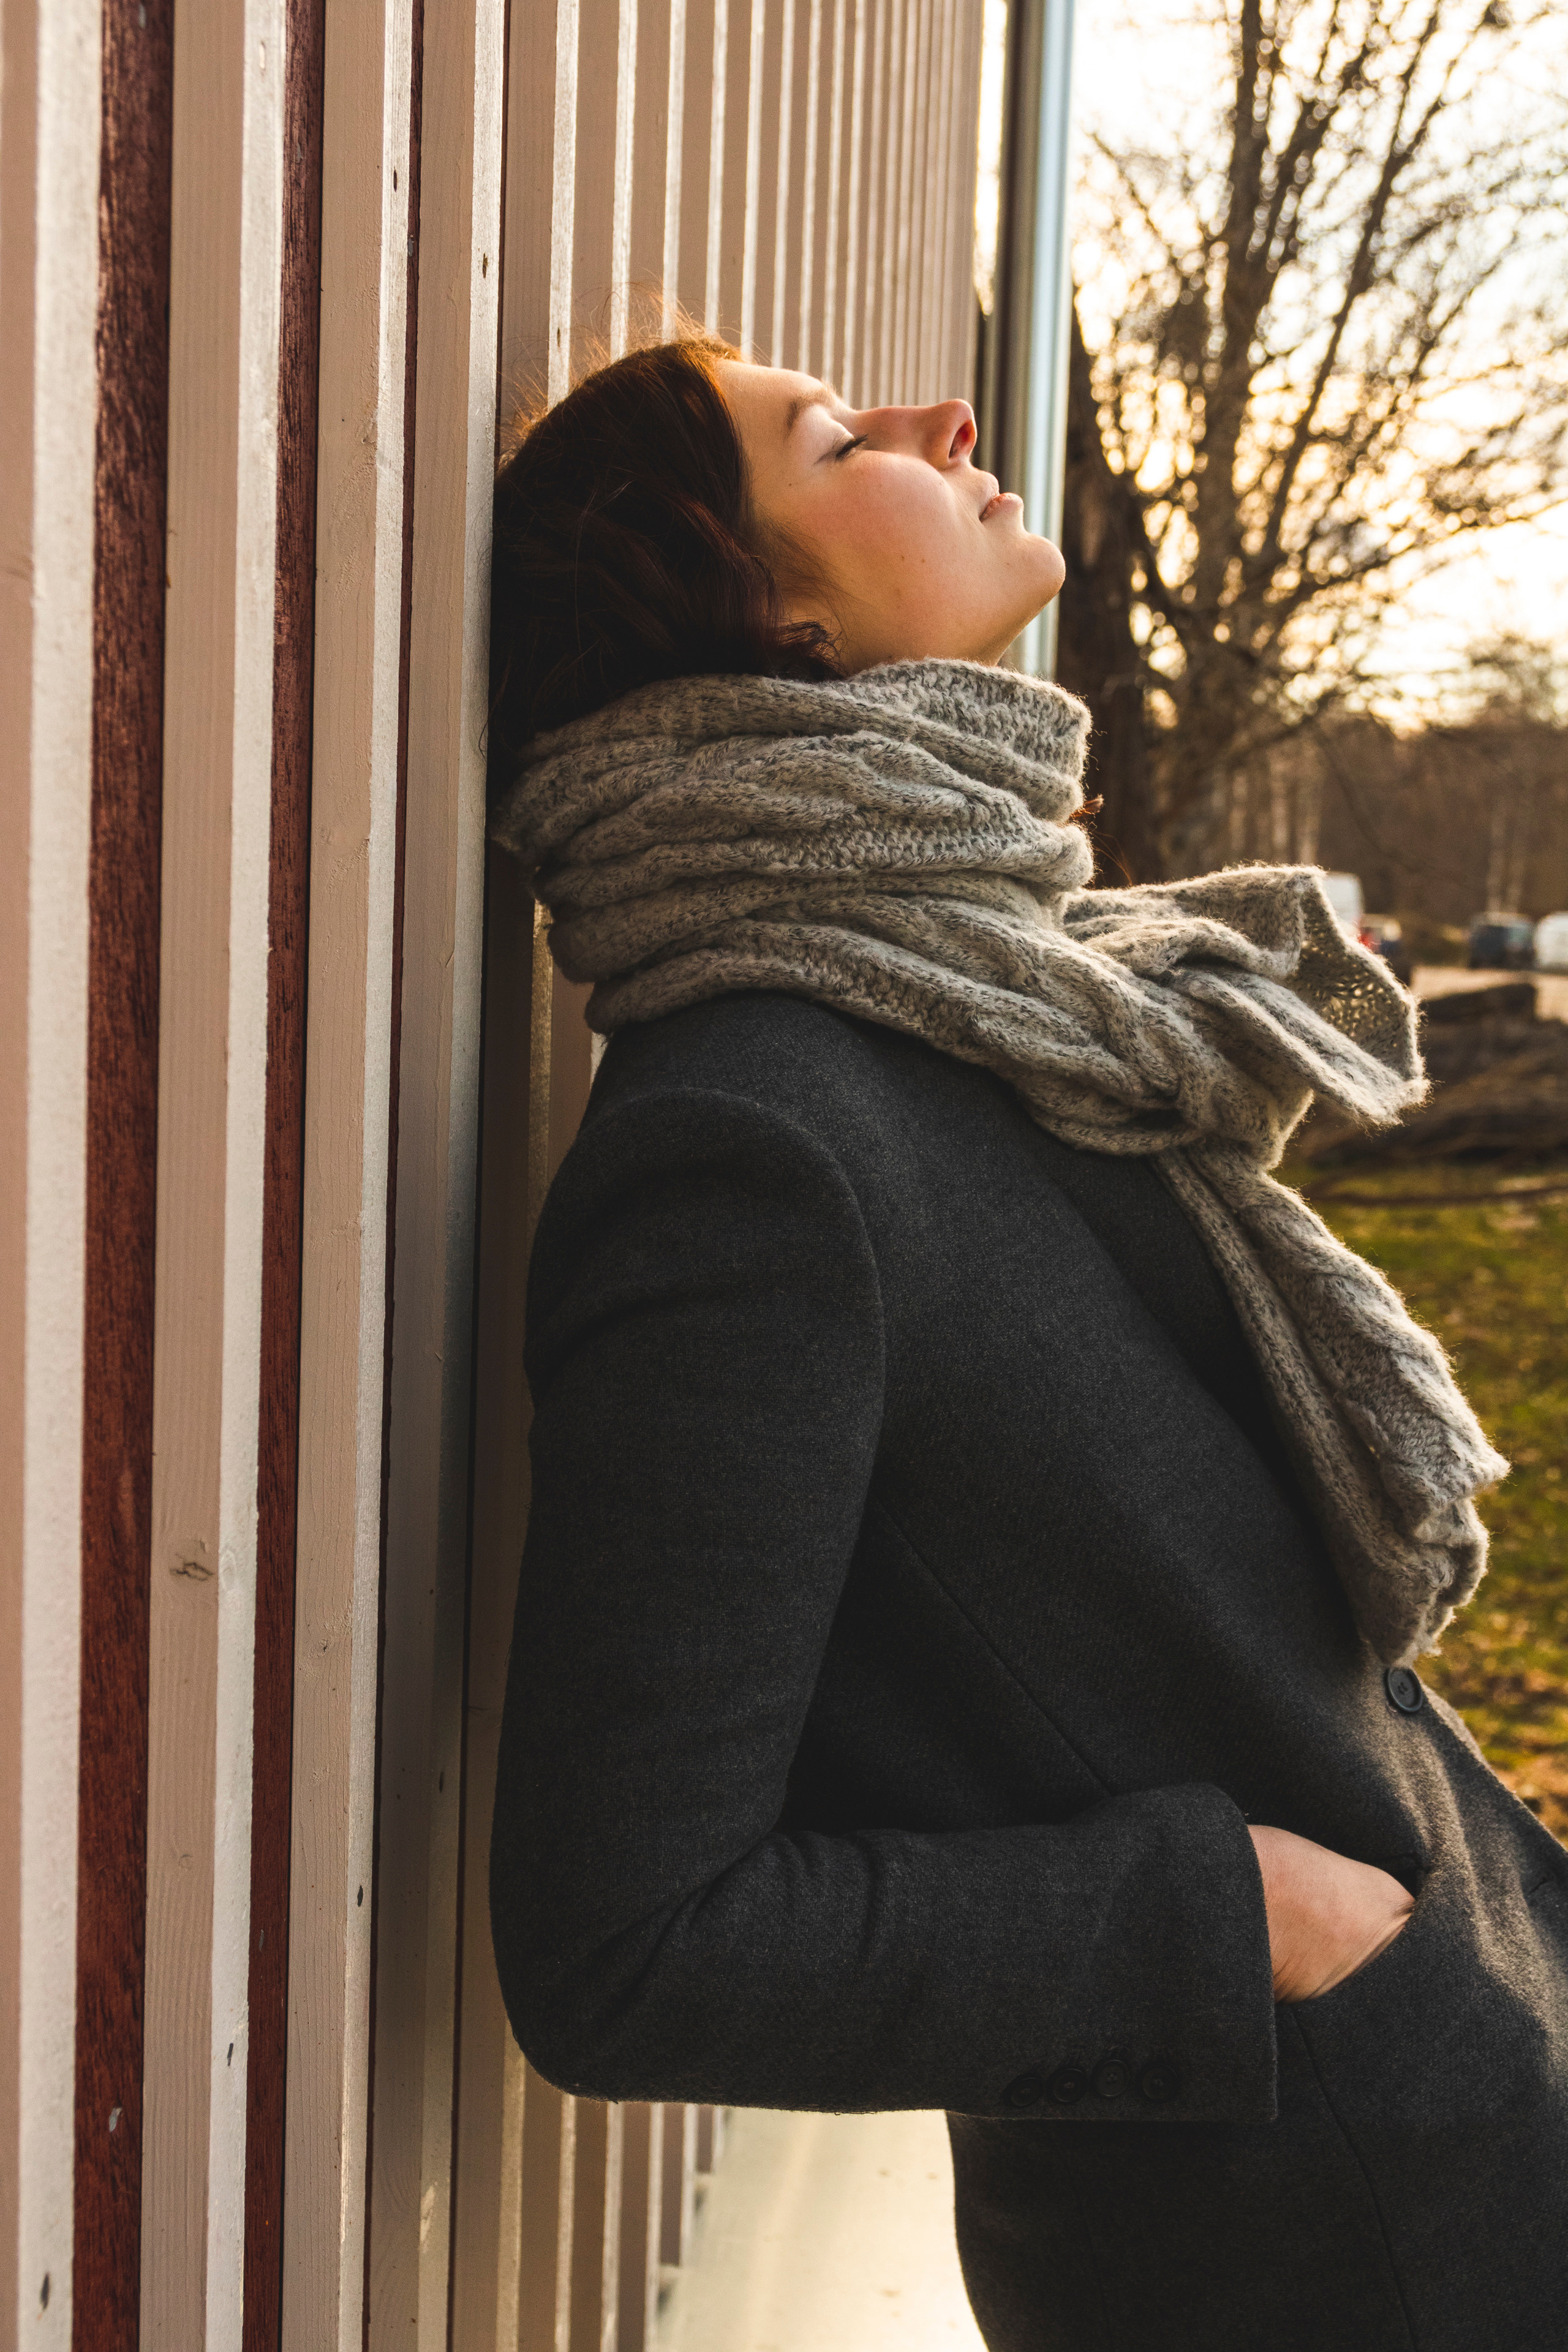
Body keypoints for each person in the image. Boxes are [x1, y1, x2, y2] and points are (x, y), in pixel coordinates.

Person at [485, 334, 1568, 2351]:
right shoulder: (751, 1142)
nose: (939, 420)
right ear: (768, 612)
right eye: (831, 438)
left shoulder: (992, 1010)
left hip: (1472, 2080)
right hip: (1322, 2240)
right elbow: (624, 1944)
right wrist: (1251, 1922)